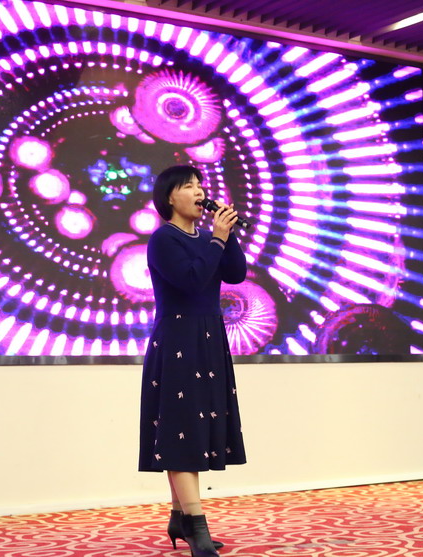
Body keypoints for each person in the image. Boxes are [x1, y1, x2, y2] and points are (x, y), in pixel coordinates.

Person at [138, 165, 247, 557]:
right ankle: (197, 527)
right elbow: (192, 280)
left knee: (195, 430)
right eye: (190, 186)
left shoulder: (206, 237)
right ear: (170, 197)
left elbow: (236, 273)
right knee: (181, 429)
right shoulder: (163, 239)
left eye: (201, 185)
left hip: (209, 338)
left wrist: (226, 235)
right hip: (178, 339)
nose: (200, 192)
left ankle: (180, 518)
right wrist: (217, 239)